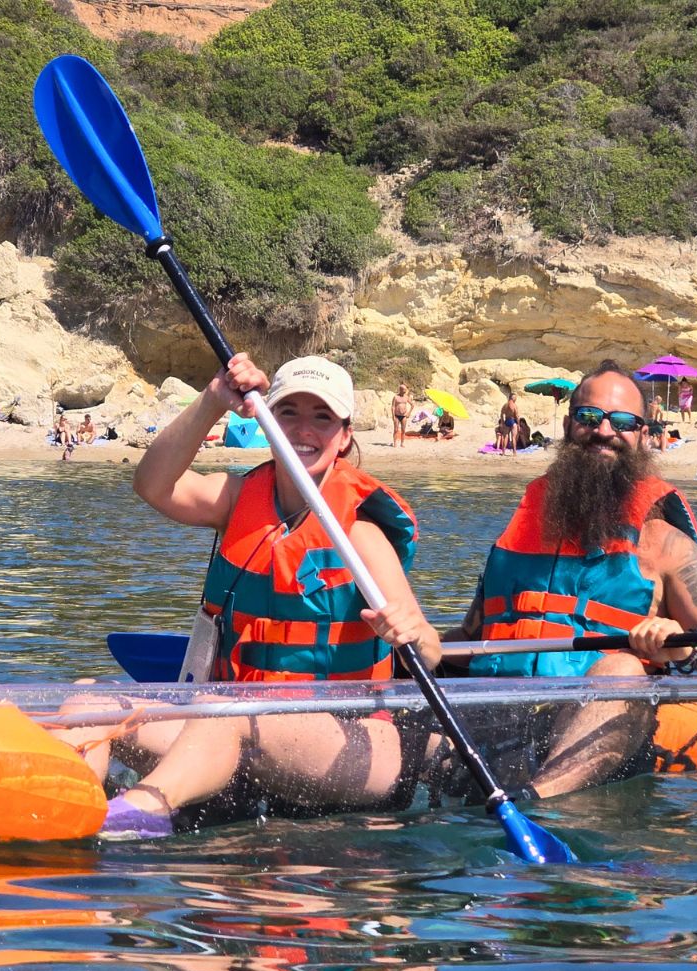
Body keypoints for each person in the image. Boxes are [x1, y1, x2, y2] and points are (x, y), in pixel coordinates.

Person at [80, 354, 441, 838]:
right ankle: (63, 804)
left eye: (322, 417)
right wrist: (212, 401)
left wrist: (410, 632)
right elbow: (152, 485)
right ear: (265, 421)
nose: (304, 430)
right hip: (231, 723)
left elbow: (431, 650)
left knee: (229, 713)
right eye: (288, 413)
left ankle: (138, 814)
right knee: (88, 701)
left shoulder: (361, 530)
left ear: (345, 435)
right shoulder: (235, 499)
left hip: (353, 742)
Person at [456, 360, 697, 799]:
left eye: (624, 422)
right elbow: (472, 638)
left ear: (644, 435)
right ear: (567, 425)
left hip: (608, 727)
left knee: (622, 667)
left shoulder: (662, 543)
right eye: (589, 417)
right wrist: (402, 645)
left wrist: (683, 641)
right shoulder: (519, 532)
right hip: (501, 716)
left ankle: (539, 800)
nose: (604, 431)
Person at [391, 382, 411, 447]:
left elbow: (412, 405)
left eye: (405, 389)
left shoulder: (406, 397)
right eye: (404, 389)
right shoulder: (395, 397)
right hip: (397, 415)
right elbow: (393, 406)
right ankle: (395, 443)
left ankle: (402, 443)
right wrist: (393, 415)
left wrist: (409, 413)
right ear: (400, 390)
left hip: (404, 415)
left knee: (403, 430)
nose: (405, 391)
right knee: (396, 429)